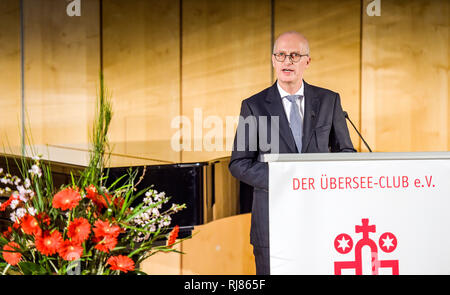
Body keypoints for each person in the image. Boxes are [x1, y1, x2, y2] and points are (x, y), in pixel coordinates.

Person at [229, 31, 356, 275]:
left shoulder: (329, 100)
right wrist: (284, 179)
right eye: (281, 55)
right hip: (272, 221)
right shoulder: (253, 105)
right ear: (273, 60)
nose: (287, 61)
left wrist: (320, 178)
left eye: (295, 55)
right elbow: (239, 163)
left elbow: (346, 152)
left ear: (307, 61)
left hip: (321, 216)